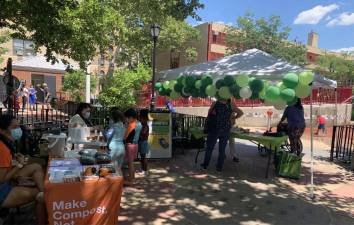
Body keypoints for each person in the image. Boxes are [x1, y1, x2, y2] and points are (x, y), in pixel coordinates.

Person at [0, 115, 46, 225]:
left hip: (7, 180)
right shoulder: (2, 148)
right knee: (40, 196)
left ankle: (44, 193)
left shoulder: (5, 142)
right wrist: (19, 165)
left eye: (18, 126)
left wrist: (15, 159)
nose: (18, 130)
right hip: (2, 189)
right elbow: (2, 179)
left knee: (36, 167)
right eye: (14, 127)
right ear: (2, 130)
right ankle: (44, 199)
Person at [201, 97, 238, 172]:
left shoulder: (215, 103)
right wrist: (233, 117)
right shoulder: (231, 104)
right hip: (226, 130)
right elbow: (241, 113)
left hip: (214, 129)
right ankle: (219, 168)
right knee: (222, 150)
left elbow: (209, 113)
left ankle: (205, 166)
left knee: (209, 149)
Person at [124, 108, 142, 184]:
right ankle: (132, 177)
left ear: (131, 117)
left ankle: (131, 180)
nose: (126, 120)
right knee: (131, 163)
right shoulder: (139, 123)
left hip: (129, 145)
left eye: (127, 118)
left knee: (130, 163)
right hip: (135, 145)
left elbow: (125, 136)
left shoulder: (131, 125)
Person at [108, 109, 126, 176]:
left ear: (113, 118)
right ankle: (120, 184)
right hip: (122, 148)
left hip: (114, 148)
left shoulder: (113, 126)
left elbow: (107, 136)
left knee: (113, 169)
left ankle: (115, 185)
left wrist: (102, 130)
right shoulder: (123, 126)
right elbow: (124, 137)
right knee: (119, 169)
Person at [138, 109, 150, 176]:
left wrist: (138, 132)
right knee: (142, 157)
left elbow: (143, 132)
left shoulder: (145, 124)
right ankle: (143, 170)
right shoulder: (143, 122)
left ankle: (145, 171)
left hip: (143, 142)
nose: (140, 119)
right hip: (141, 142)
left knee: (143, 157)